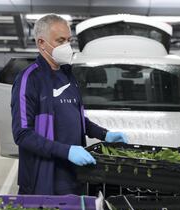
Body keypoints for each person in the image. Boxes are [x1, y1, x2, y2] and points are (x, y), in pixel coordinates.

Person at [11, 14, 128, 195]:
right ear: (41, 43)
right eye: (60, 40)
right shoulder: (29, 79)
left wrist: (105, 134)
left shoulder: (67, 74)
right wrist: (66, 151)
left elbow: (77, 117)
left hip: (75, 175)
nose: (67, 46)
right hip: (44, 178)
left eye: (69, 40)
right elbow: (22, 134)